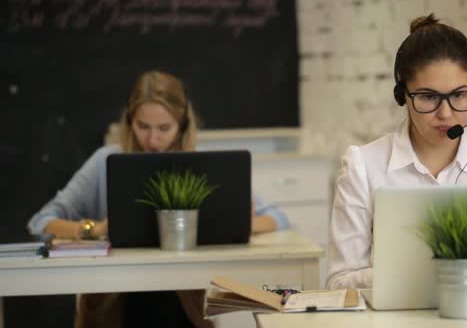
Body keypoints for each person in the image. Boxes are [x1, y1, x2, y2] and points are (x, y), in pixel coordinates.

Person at [27, 70, 289, 327]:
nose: (153, 139)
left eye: (164, 128)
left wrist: (237, 224)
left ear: (183, 125)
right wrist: (92, 229)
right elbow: (41, 222)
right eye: (143, 126)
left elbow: (277, 218)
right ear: (129, 122)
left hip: (185, 309)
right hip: (113, 309)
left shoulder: (202, 166)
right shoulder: (104, 161)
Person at [326, 14, 467, 290]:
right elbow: (339, 282)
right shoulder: (363, 166)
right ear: (402, 95)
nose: (446, 113)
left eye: (460, 95)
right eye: (428, 97)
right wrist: (427, 273)